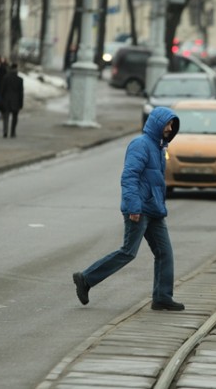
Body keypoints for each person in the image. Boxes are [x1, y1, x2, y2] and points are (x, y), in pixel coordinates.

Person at [72, 106, 184, 311]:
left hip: (154, 210)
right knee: (128, 252)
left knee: (165, 253)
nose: (170, 128)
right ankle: (86, 278)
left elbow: (154, 181)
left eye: (172, 125)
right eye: (168, 124)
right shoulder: (140, 144)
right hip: (139, 209)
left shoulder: (159, 148)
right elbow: (129, 177)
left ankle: (162, 297)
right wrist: (134, 207)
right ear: (158, 123)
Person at [0, 63, 23, 138]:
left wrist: (1, 99)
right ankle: (13, 132)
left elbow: (2, 89)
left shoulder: (5, 78)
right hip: (16, 101)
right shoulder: (20, 80)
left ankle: (5, 131)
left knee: (6, 117)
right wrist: (21, 103)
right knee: (15, 117)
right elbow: (21, 92)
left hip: (6, 100)